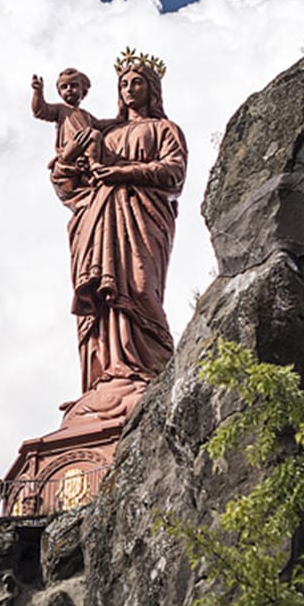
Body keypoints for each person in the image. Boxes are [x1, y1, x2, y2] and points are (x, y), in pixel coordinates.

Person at [48, 53, 187, 424]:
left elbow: (174, 172)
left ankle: (149, 372)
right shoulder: (102, 131)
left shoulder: (165, 129)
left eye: (137, 82)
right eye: (124, 83)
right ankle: (106, 377)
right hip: (96, 219)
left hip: (141, 217)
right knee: (99, 300)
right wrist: (70, 158)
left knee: (140, 289)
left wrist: (121, 172)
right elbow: (66, 184)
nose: (129, 89)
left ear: (151, 88)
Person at [31, 68, 101, 173]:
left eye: (73, 85)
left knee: (95, 135)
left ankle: (88, 162)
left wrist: (120, 120)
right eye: (64, 87)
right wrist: (38, 92)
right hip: (70, 147)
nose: (69, 89)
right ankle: (93, 163)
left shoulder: (85, 115)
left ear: (83, 90)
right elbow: (40, 110)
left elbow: (100, 124)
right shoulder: (60, 109)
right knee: (94, 134)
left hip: (84, 146)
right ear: (60, 92)